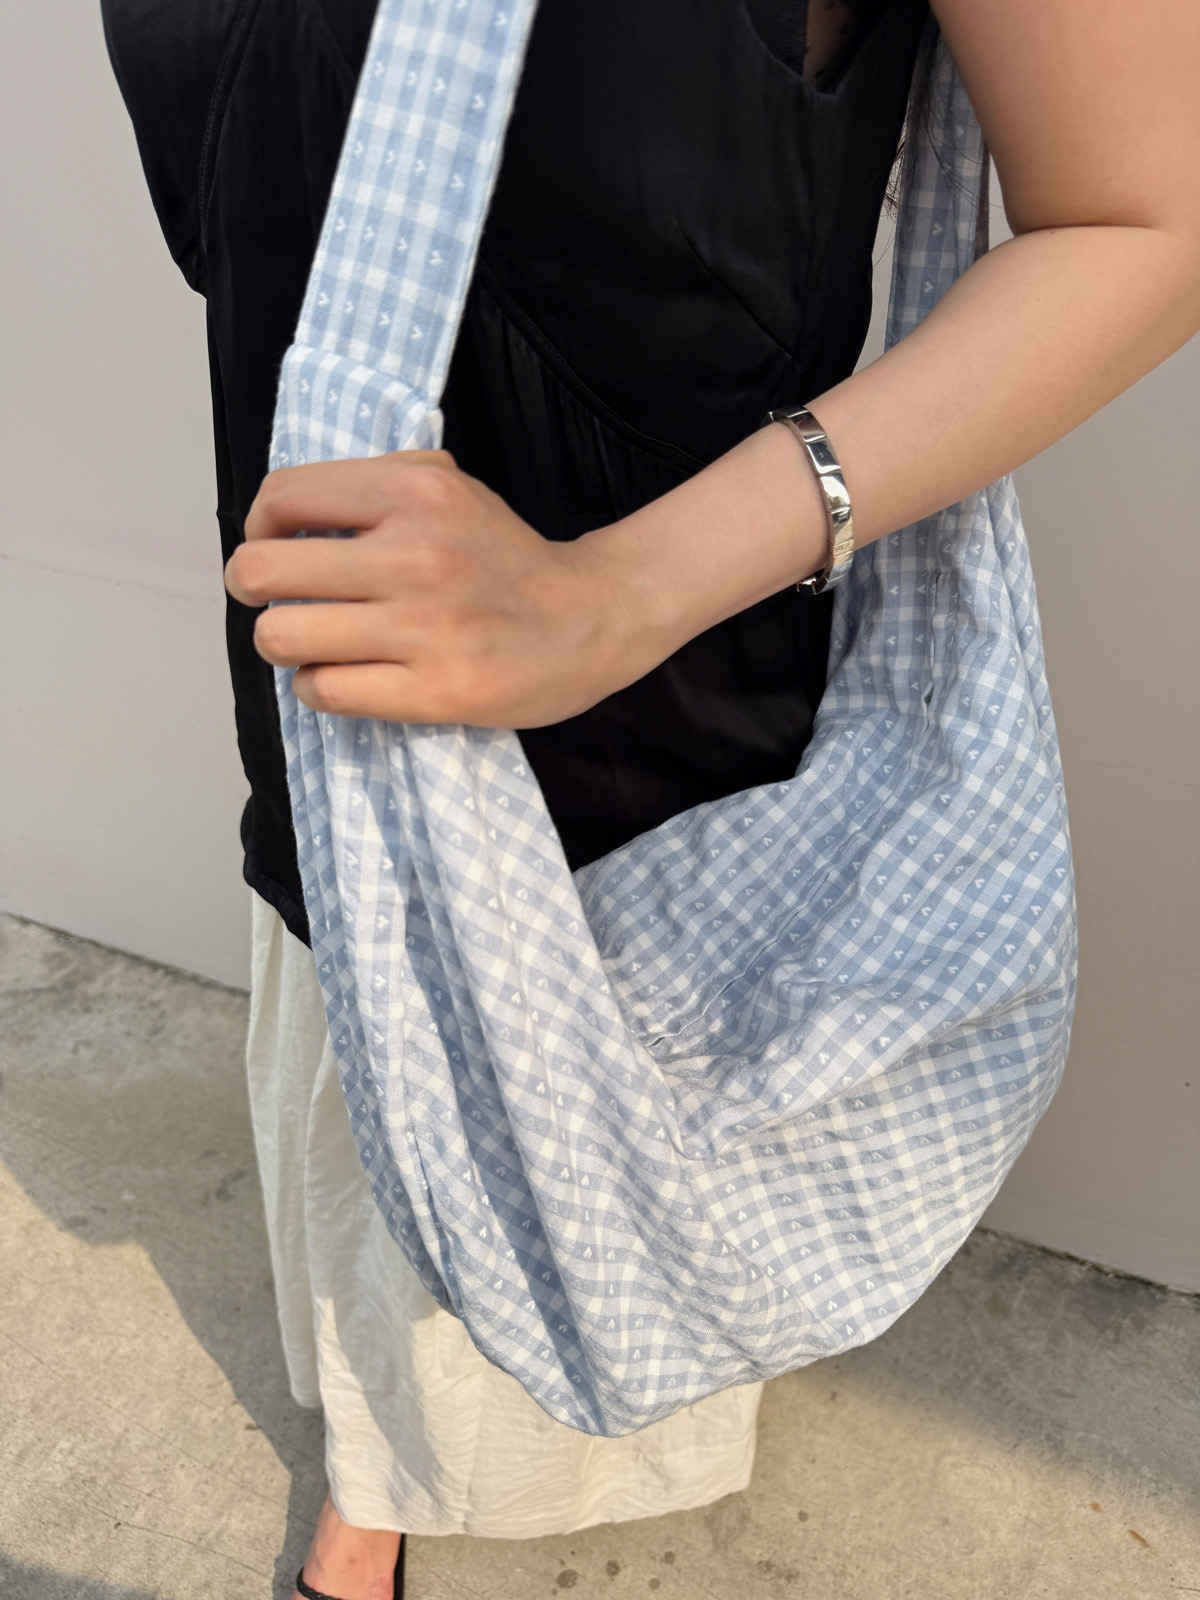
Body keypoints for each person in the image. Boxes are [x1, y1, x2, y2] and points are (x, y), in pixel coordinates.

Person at [102, 0, 1200, 1595]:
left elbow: (1150, 217)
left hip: (651, 720)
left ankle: (414, 1462)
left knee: (581, 1176)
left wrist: (618, 595)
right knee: (370, 1096)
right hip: (334, 663)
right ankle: (379, 1464)